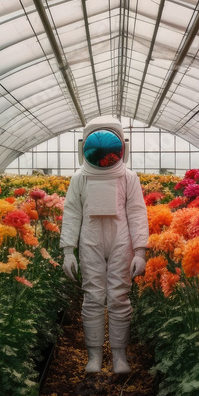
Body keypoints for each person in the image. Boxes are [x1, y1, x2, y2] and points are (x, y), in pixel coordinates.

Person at [60, 116, 149, 374]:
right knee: (93, 296)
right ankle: (94, 356)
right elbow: (72, 212)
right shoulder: (80, 178)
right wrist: (68, 250)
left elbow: (136, 211)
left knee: (119, 296)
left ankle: (120, 356)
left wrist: (140, 251)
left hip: (122, 238)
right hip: (90, 238)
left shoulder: (128, 178)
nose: (104, 154)